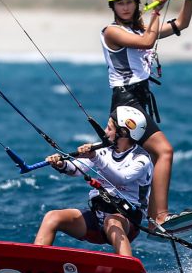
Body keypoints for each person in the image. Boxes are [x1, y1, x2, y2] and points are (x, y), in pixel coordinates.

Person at [102, 0, 192, 225]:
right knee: (164, 151)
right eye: (119, 4)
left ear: (136, 3)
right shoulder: (111, 31)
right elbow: (147, 42)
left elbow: (181, 24)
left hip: (139, 101)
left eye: (129, 3)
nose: (125, 8)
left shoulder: (141, 29)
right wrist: (155, 14)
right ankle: (161, 216)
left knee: (153, 156)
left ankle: (154, 216)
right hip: (126, 102)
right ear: (113, 7)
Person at [34, 106, 153, 257]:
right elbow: (76, 169)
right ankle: (37, 266)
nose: (104, 131)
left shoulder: (141, 159)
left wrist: (94, 156)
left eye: (109, 128)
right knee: (52, 217)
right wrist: (61, 164)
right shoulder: (103, 149)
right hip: (98, 216)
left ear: (123, 133)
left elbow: (120, 178)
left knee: (112, 222)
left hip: (127, 221)